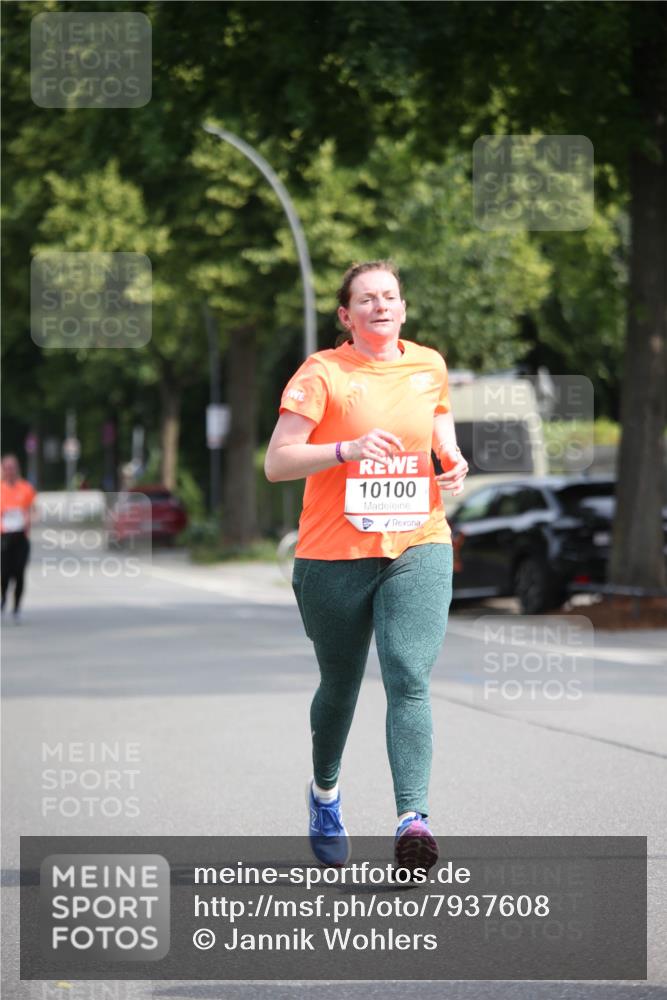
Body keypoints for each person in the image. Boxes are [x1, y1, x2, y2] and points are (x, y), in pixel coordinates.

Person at [265, 261, 468, 873]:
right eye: (367, 299)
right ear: (346, 315)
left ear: (403, 308)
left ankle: (413, 821)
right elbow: (277, 462)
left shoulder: (428, 365)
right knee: (341, 685)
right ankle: (325, 793)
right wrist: (344, 449)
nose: (380, 306)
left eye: (389, 297)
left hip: (418, 542)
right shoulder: (323, 372)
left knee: (408, 674)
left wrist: (450, 454)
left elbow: (437, 415)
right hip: (334, 556)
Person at [1, 454, 37, 623]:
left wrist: (30, 519)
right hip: (3, 537)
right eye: (6, 468)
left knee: (19, 573)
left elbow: (34, 510)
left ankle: (16, 608)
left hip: (21, 537)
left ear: (17, 468)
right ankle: (3, 600)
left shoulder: (26, 488)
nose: (9, 471)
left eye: (12, 467)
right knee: (4, 574)